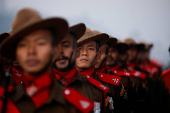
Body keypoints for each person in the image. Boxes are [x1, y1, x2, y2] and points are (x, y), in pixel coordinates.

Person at [0, 8, 94, 113]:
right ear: (15, 53)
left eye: (40, 43)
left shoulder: (77, 106)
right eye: (23, 45)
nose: (31, 51)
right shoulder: (3, 103)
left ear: (53, 49)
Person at [76, 27, 110, 113]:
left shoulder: (106, 87)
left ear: (98, 55)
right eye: (79, 48)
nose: (84, 53)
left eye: (90, 49)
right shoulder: (58, 84)